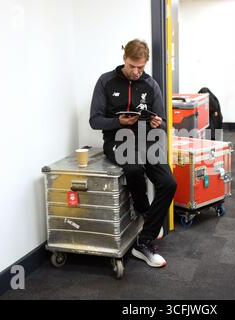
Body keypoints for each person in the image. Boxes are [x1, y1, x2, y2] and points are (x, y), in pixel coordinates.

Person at [89, 39, 177, 268]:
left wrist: (159, 122)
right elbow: (95, 120)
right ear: (123, 59)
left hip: (147, 139)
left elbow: (162, 119)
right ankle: (147, 226)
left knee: (168, 183)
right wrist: (118, 121)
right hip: (117, 139)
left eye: (141, 67)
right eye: (131, 66)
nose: (136, 72)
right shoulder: (105, 81)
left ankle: (142, 240)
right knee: (134, 167)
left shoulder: (151, 84)